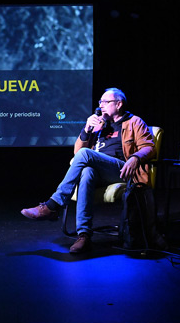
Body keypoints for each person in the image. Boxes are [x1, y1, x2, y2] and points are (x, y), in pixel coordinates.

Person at [20, 88, 156, 253]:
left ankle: (52, 205)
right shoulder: (100, 125)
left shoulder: (134, 122)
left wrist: (135, 158)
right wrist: (86, 130)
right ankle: (84, 235)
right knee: (86, 173)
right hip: (101, 171)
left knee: (86, 156)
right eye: (100, 102)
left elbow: (149, 147)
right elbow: (77, 153)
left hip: (122, 169)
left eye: (105, 102)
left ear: (118, 104)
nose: (101, 106)